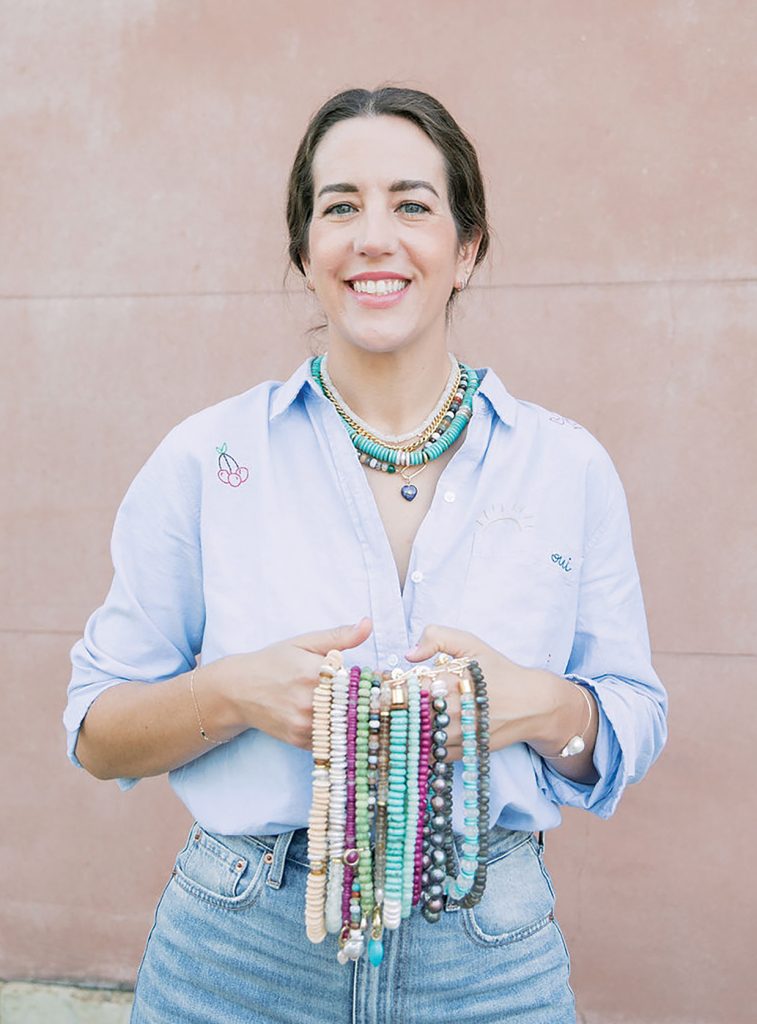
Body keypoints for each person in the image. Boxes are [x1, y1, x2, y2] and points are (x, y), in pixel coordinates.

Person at [64, 86, 667, 1024]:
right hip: (239, 951)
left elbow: (633, 715)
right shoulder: (205, 458)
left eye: (411, 205)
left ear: (466, 249)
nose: (372, 237)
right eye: (339, 206)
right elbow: (98, 733)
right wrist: (233, 693)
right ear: (305, 252)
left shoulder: (565, 466)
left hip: (488, 955)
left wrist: (538, 705)